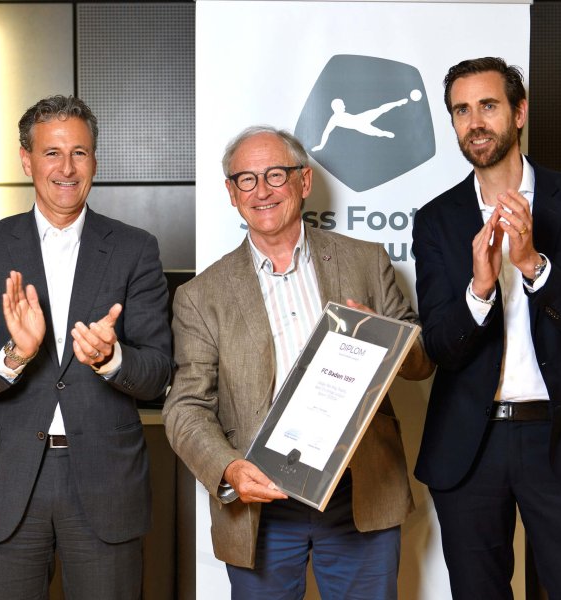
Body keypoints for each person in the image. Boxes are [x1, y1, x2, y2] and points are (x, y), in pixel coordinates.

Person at [163, 125, 433, 600]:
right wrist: (228, 470)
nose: (261, 191)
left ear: (303, 182)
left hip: (358, 493)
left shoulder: (366, 262)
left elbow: (420, 364)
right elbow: (186, 409)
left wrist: (386, 339)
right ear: (231, 193)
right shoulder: (200, 296)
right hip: (260, 502)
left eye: (275, 175)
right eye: (246, 179)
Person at [0, 95, 174, 600]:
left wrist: (110, 359)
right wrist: (16, 356)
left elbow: (157, 372)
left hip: (106, 481)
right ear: (26, 160)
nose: (66, 169)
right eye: (52, 153)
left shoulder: (136, 249)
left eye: (80, 153)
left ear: (96, 160)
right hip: (8, 485)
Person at [412, 57, 561, 599]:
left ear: (519, 113)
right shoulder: (436, 218)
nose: (474, 121)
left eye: (488, 106)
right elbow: (437, 345)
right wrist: (478, 292)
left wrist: (532, 266)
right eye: (461, 110)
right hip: (468, 448)